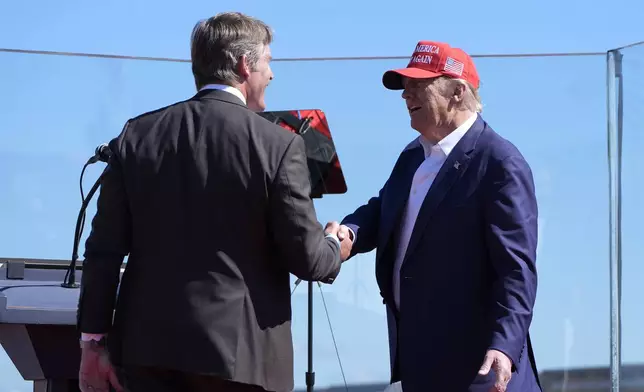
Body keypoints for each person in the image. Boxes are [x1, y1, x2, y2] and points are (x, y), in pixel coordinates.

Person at [77, 12, 345, 392]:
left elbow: (103, 251)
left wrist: (92, 344)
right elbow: (308, 257)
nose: (271, 74)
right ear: (243, 65)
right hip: (242, 362)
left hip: (145, 355)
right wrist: (335, 244)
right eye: (268, 62)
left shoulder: (137, 136)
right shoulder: (279, 146)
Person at [329, 41, 542, 392]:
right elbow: (384, 208)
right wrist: (350, 232)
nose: (405, 95)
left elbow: (516, 270)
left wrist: (504, 348)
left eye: (418, 85)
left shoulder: (500, 163)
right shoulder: (413, 155)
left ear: (457, 92)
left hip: (479, 370)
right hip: (422, 364)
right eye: (404, 86)